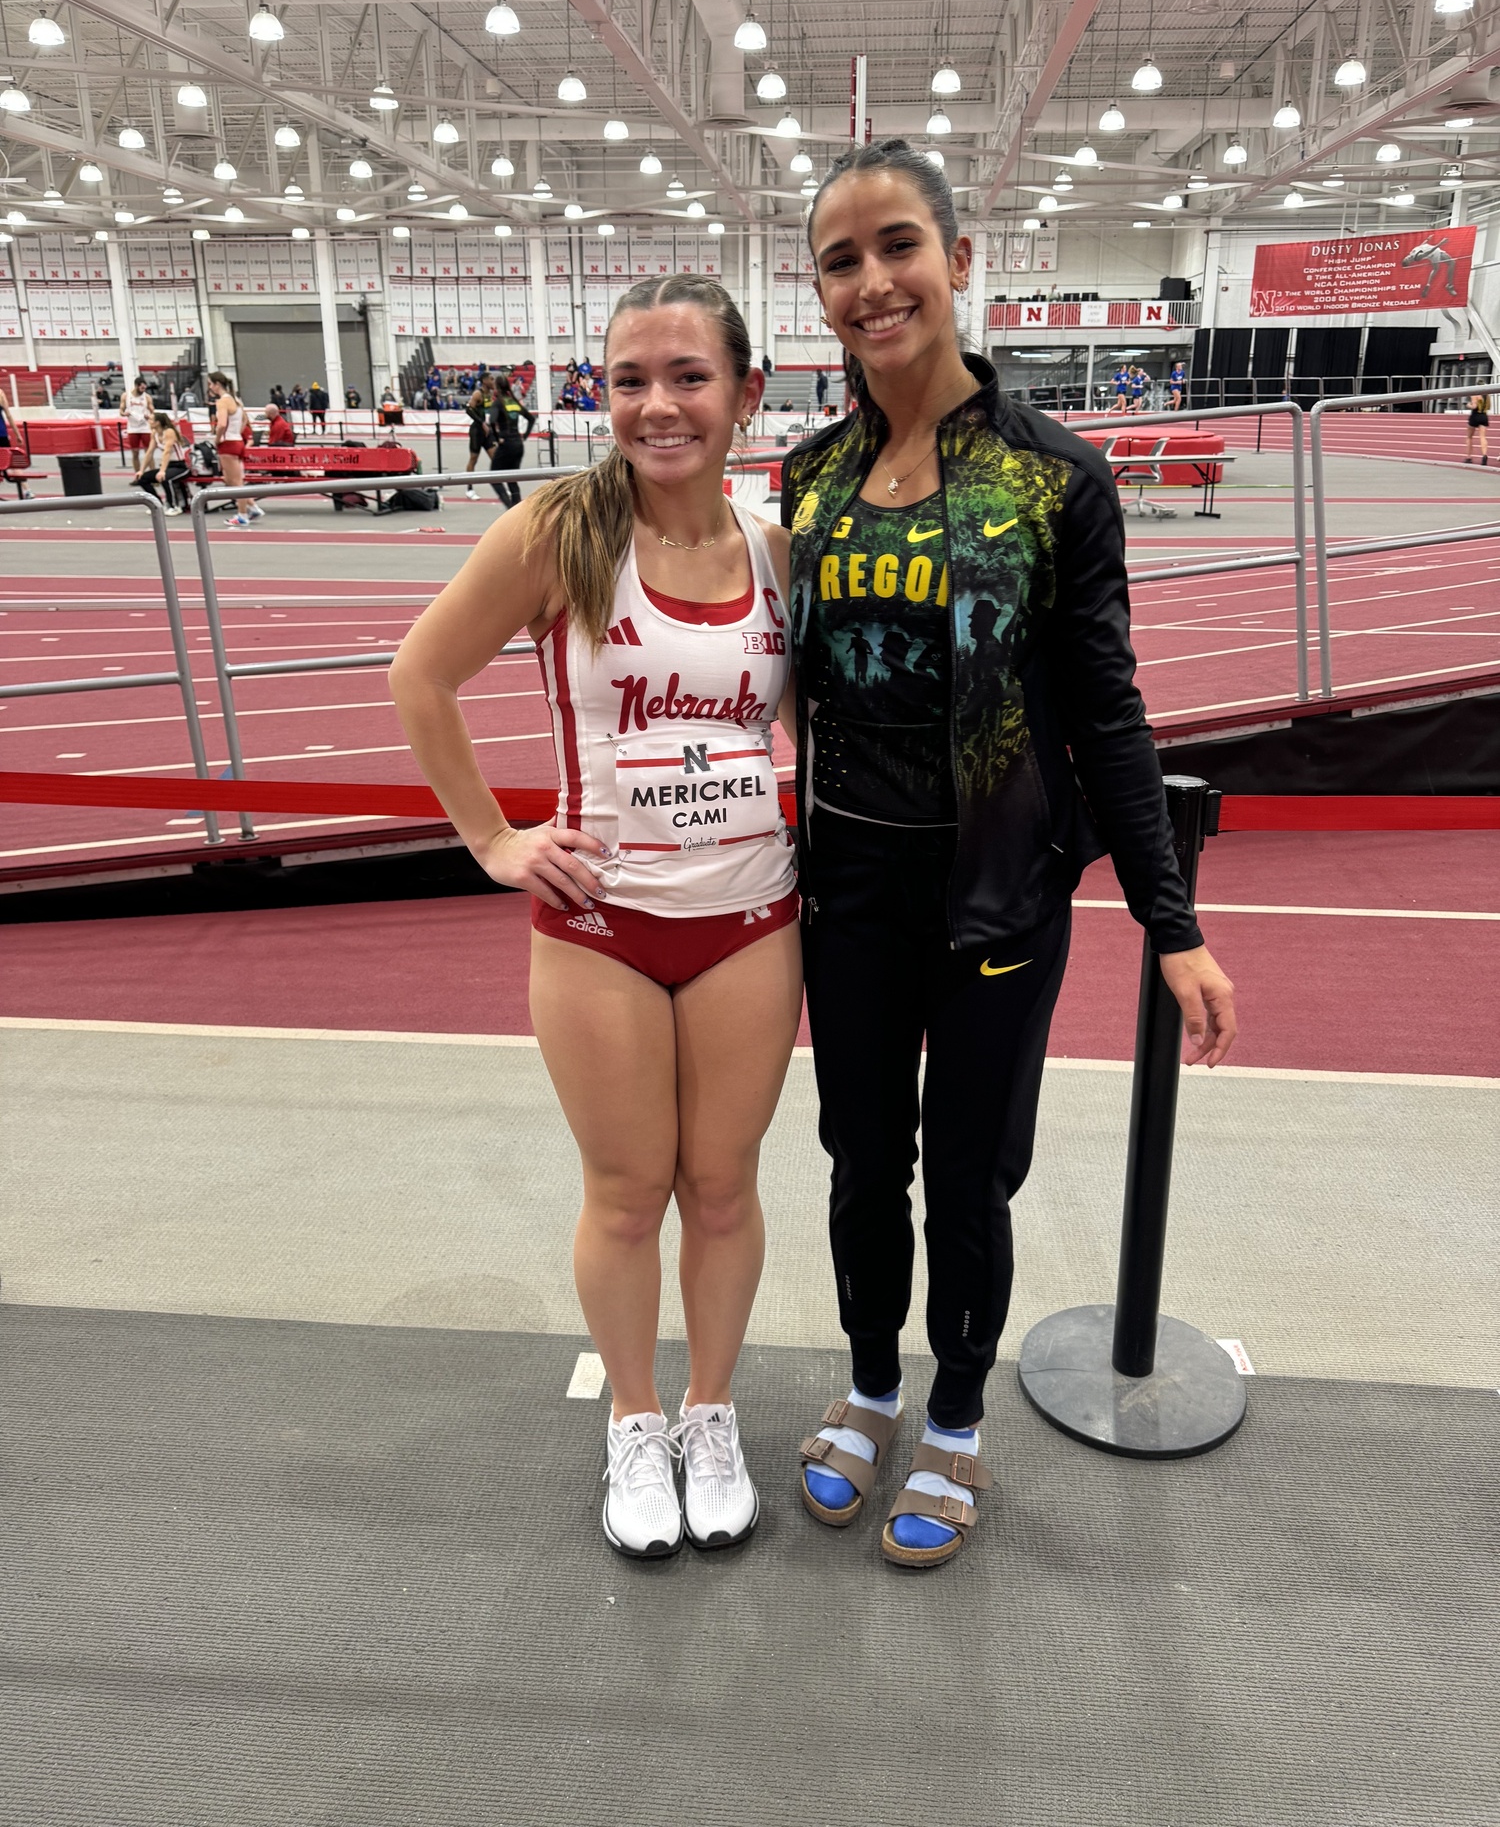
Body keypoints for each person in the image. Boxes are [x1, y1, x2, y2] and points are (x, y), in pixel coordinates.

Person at [781, 139, 1236, 1571]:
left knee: (972, 1175)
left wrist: (1172, 921)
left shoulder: (1056, 482)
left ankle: (960, 1418)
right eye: (840, 260)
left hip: (994, 898)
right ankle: (869, 1387)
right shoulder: (805, 480)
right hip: (845, 889)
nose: (873, 282)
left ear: (960, 263)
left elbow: (1107, 707)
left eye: (898, 245)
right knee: (862, 1158)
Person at [389, 274, 798, 1561]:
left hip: (750, 918)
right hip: (601, 927)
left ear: (745, 393)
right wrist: (493, 839)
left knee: (723, 1187)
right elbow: (421, 672)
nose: (657, 404)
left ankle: (712, 1411)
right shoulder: (558, 531)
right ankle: (634, 1416)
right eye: (629, 378)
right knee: (628, 1192)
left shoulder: (780, 550)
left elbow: (820, 723)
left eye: (687, 376)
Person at [207, 370, 262, 527]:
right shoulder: (235, 399)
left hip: (228, 443)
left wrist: (217, 439)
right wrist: (237, 432)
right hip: (237, 441)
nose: (210, 388)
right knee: (231, 480)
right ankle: (252, 506)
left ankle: (242, 515)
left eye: (210, 384)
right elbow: (244, 419)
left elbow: (222, 424)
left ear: (217, 384)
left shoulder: (222, 401)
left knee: (236, 482)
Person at [489, 368, 536, 507]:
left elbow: (491, 421)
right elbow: (531, 419)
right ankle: (516, 509)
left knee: (493, 477)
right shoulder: (513, 401)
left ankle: (509, 507)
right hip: (518, 444)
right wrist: (525, 436)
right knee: (512, 478)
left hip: (506, 443)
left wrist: (497, 438)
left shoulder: (498, 403)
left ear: (497, 387)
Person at [131, 410, 190, 513]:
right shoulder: (155, 433)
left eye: (151, 419)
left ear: (158, 422)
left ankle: (173, 506)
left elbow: (167, 452)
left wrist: (162, 471)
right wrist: (141, 470)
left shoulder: (169, 432)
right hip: (168, 466)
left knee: (165, 478)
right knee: (142, 478)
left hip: (180, 465)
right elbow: (149, 453)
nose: (148, 421)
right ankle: (157, 504)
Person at [464, 377, 496, 488]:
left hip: (487, 432)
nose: (493, 381)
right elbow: (468, 410)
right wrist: (482, 423)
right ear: (484, 381)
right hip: (477, 431)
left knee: (495, 458)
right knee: (473, 459)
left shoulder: (490, 394)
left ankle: (499, 486)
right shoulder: (478, 394)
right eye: (491, 379)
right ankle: (469, 488)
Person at [122, 376, 154, 463]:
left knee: (148, 451)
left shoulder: (147, 397)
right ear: (136, 386)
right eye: (142, 388)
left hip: (145, 427)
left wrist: (150, 415)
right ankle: (138, 474)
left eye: (145, 388)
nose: (143, 390)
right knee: (135, 452)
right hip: (133, 427)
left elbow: (152, 410)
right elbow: (121, 411)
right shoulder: (126, 396)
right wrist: (124, 413)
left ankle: (152, 473)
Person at [1465, 391, 1490, 464]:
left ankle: (1469, 457)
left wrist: (1468, 405)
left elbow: (1474, 406)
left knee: (1469, 437)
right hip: (1484, 416)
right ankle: (1484, 456)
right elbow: (1488, 406)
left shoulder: (1475, 394)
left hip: (1475, 416)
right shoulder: (1487, 395)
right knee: (1483, 437)